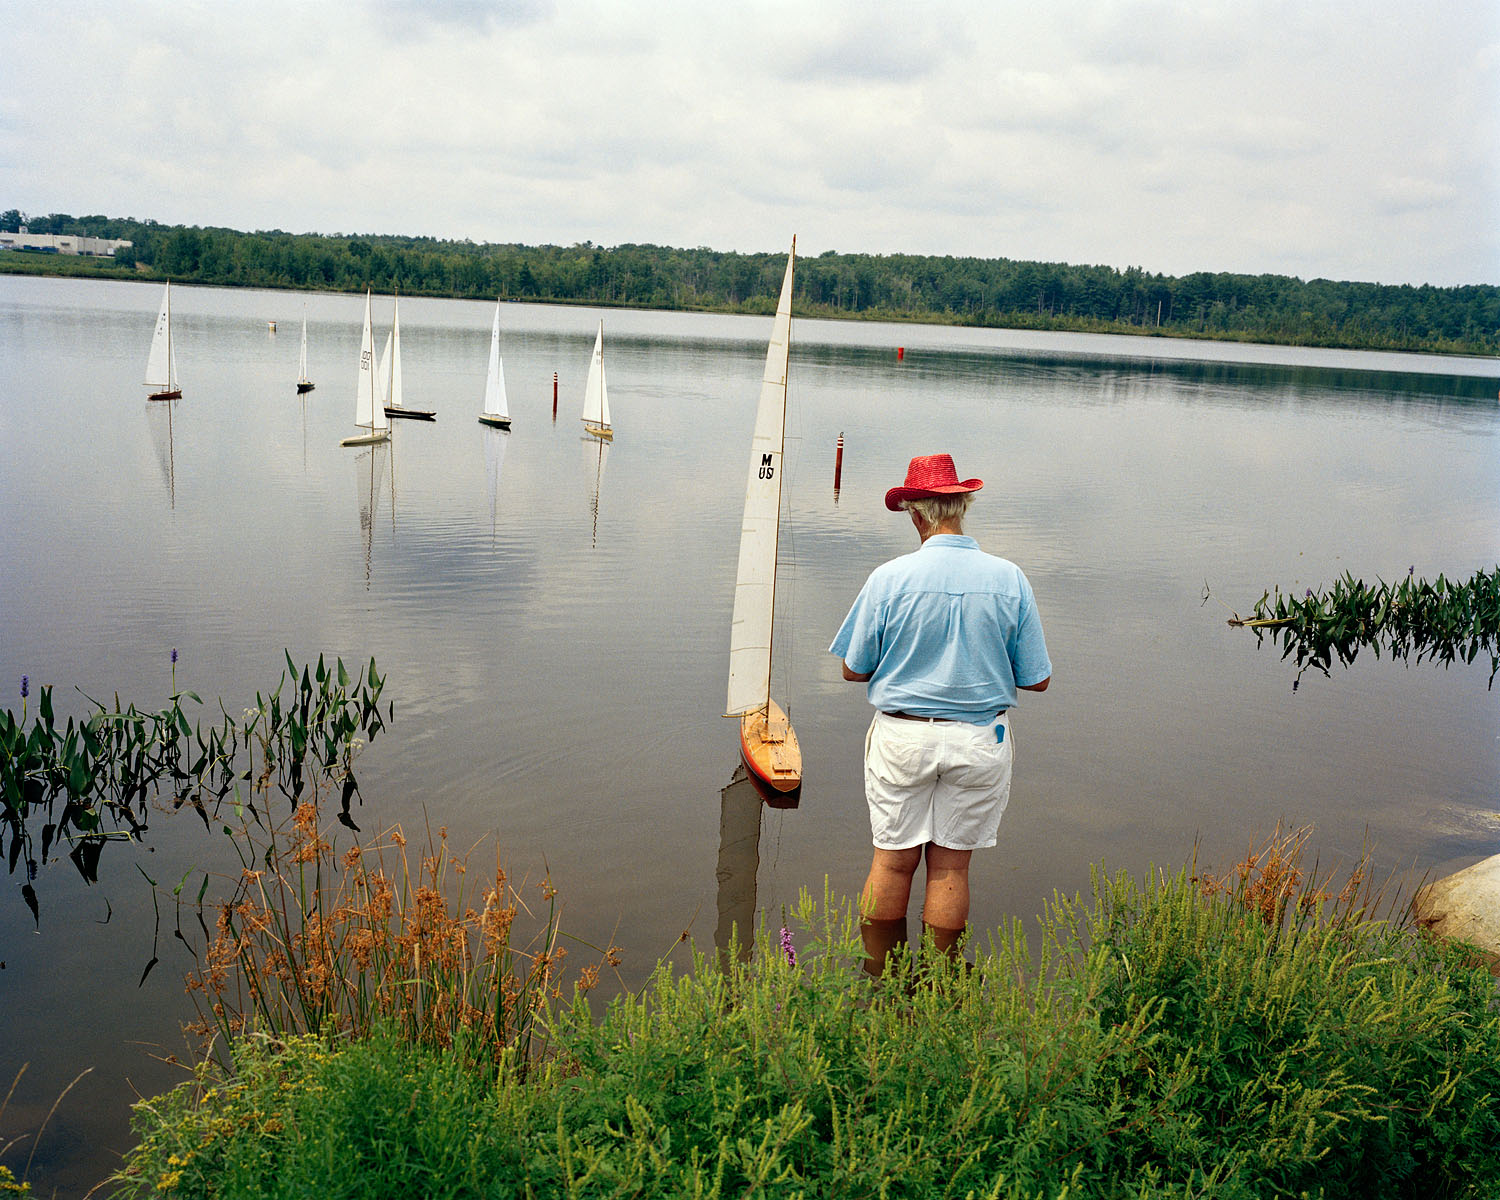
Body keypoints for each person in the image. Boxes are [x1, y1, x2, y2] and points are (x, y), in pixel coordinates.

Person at [829, 453, 1052, 976]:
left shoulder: (888, 579)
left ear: (915, 513)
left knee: (891, 861)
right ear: (962, 505)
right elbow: (1037, 677)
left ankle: (883, 987)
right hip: (979, 741)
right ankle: (937, 996)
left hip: (903, 737)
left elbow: (853, 671)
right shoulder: (1010, 578)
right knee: (951, 866)